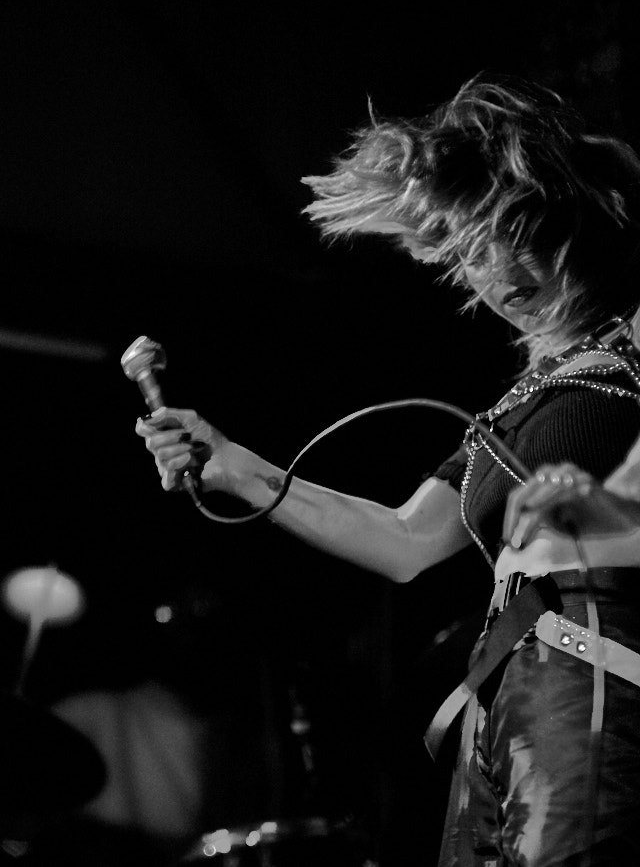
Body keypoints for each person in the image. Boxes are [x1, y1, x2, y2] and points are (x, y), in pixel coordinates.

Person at [136, 76, 640, 866]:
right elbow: (406, 540)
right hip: (509, 701)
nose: (494, 272)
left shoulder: (630, 346)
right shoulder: (517, 404)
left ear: (558, 220)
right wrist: (236, 466)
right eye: (468, 252)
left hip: (604, 675)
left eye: (504, 236)